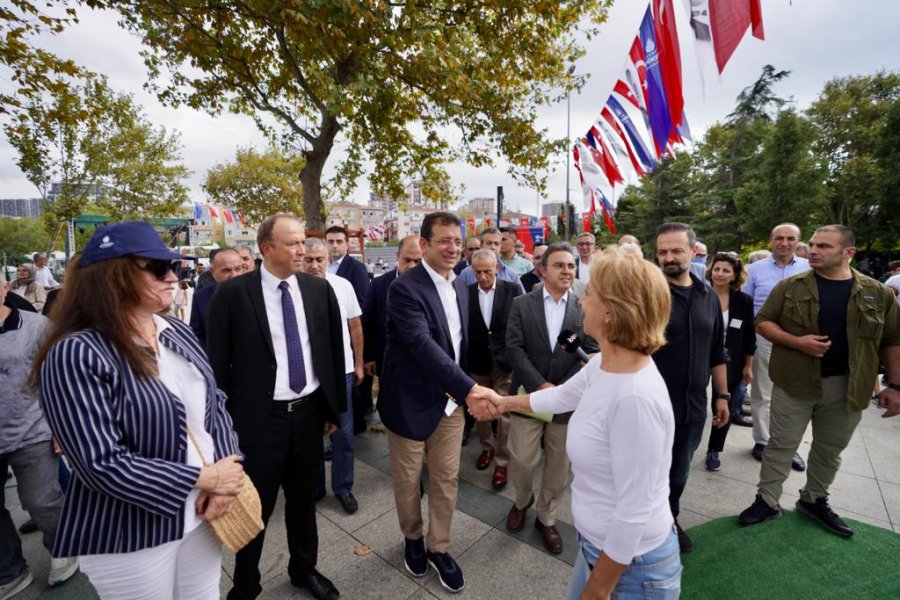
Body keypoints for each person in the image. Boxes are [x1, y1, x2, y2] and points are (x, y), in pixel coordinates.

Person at [32, 221, 245, 599]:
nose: (173, 277)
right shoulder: (77, 353)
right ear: (113, 278)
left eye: (174, 267)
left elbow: (216, 405)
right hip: (132, 531)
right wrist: (206, 479)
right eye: (158, 268)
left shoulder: (173, 330)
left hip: (202, 514)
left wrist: (228, 470)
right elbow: (101, 463)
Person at [477, 248, 681, 599]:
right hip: (597, 550)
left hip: (630, 571)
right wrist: (502, 402)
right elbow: (558, 398)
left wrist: (598, 590)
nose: (582, 301)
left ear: (612, 313)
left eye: (590, 294)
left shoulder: (635, 398)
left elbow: (635, 510)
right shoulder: (604, 364)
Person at [206, 215, 346, 600]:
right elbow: (217, 367)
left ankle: (304, 570)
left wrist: (334, 410)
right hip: (258, 423)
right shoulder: (232, 295)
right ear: (266, 249)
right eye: (293, 244)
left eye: (303, 242)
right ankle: (246, 584)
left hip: (308, 414)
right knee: (255, 509)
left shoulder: (318, 291)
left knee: (303, 502)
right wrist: (223, 430)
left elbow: (333, 351)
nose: (303, 250)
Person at [739, 225, 900, 537]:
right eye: (812, 245)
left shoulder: (876, 293)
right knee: (780, 445)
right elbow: (763, 322)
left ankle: (814, 499)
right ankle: (767, 500)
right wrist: (797, 342)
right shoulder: (791, 286)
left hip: (848, 386)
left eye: (823, 246)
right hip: (794, 382)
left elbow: (893, 339)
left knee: (829, 449)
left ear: (848, 253)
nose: (812, 250)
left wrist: (894, 386)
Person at [378, 212, 497, 594]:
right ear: (424, 244)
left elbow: (456, 346)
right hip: (410, 403)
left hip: (449, 405)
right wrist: (470, 389)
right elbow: (421, 346)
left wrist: (465, 390)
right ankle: (412, 538)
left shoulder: (461, 284)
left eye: (457, 241)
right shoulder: (404, 289)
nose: (452, 247)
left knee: (446, 479)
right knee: (408, 482)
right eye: (443, 240)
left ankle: (439, 547)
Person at [504, 242, 598, 555]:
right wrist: (540, 385)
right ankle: (522, 500)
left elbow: (592, 352)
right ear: (543, 269)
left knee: (559, 467)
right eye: (559, 265)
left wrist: (563, 390)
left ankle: (547, 517)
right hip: (529, 395)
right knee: (521, 460)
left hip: (568, 402)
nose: (567, 271)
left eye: (571, 265)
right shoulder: (522, 303)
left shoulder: (584, 304)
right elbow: (514, 349)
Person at [652, 223, 730, 554]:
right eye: (662, 252)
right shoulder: (649, 293)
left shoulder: (708, 295)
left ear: (694, 251)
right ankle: (646, 525)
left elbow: (717, 350)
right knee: (649, 472)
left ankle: (670, 519)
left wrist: (723, 396)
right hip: (651, 405)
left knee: (679, 471)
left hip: (693, 406)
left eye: (676, 250)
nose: (669, 258)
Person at [0, 282, 78, 599]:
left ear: (4, 287)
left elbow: (60, 377)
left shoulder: (35, 327)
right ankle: (10, 570)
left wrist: (62, 426)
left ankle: (65, 547)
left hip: (33, 431)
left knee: (41, 500)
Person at [301, 238, 363, 515]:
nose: (314, 265)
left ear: (328, 259)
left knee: (344, 434)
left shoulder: (343, 286)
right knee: (310, 435)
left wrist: (359, 363)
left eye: (320, 259)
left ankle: (343, 487)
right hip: (306, 377)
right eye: (309, 260)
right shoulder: (291, 288)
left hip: (343, 373)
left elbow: (356, 328)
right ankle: (313, 487)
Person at [742, 223, 810, 470]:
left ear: (798, 240)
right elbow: (745, 305)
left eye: (790, 238)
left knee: (795, 397)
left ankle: (788, 448)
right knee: (763, 393)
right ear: (770, 240)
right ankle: (762, 441)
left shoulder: (810, 268)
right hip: (764, 338)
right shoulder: (754, 270)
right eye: (779, 238)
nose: (784, 243)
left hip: (800, 342)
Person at [466, 249, 522, 490]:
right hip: (477, 362)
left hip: (504, 363)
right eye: (478, 272)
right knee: (481, 412)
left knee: (505, 413)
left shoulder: (513, 291)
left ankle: (502, 461)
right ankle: (487, 448)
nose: (483, 277)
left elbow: (519, 327)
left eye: (488, 271)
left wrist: (512, 359)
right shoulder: (465, 292)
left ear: (497, 268)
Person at [704, 253, 757, 472]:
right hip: (699, 356)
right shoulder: (700, 294)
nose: (720, 274)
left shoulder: (743, 301)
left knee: (723, 403)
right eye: (716, 269)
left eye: (726, 270)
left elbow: (749, 337)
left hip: (730, 360)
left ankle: (714, 449)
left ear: (735, 275)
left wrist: (748, 365)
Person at [362, 237, 422, 382]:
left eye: (418, 261)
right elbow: (368, 322)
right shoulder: (378, 284)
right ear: (398, 256)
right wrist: (369, 356)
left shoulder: (431, 285)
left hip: (421, 360)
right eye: (407, 260)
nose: (412, 266)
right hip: (387, 358)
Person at [189, 247, 244, 347]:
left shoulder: (259, 292)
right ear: (213, 272)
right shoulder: (200, 298)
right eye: (226, 270)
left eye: (238, 269)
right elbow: (197, 337)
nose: (234, 275)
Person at [458, 228, 525, 292]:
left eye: (496, 244)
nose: (493, 247)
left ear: (500, 246)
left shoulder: (510, 275)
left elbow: (521, 300)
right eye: (489, 243)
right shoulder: (466, 274)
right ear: (481, 245)